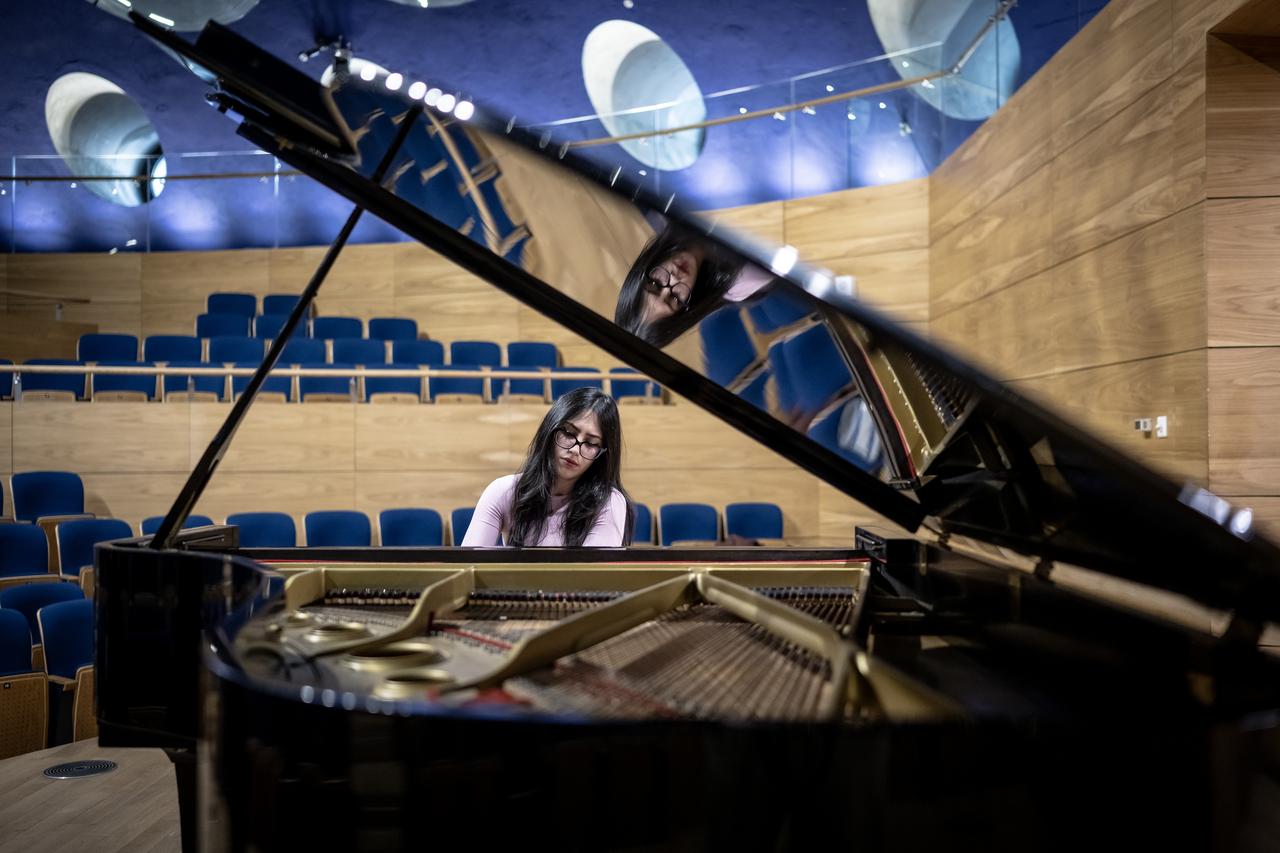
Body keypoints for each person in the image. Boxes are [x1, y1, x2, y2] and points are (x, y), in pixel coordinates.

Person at [461, 387, 634, 546]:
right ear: (550, 430)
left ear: (602, 454)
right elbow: (470, 564)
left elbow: (592, 577)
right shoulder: (502, 491)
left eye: (590, 443)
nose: (575, 449)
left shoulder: (609, 502)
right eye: (568, 433)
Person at [614, 221, 773, 348]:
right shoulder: (740, 281)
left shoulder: (660, 213)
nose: (675, 279)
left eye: (656, 284)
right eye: (675, 298)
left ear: (643, 272)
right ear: (686, 310)